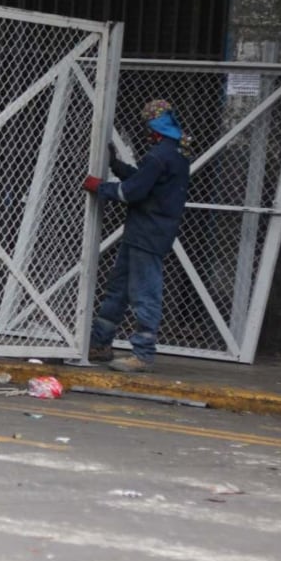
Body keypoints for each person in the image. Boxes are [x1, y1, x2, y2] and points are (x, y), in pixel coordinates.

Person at [84, 99, 191, 373]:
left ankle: (142, 354)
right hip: (146, 232)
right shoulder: (174, 153)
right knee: (119, 290)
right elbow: (144, 180)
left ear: (154, 126)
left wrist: (101, 187)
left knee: (144, 293)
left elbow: (133, 191)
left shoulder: (158, 156)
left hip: (147, 233)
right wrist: (117, 167)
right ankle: (100, 343)